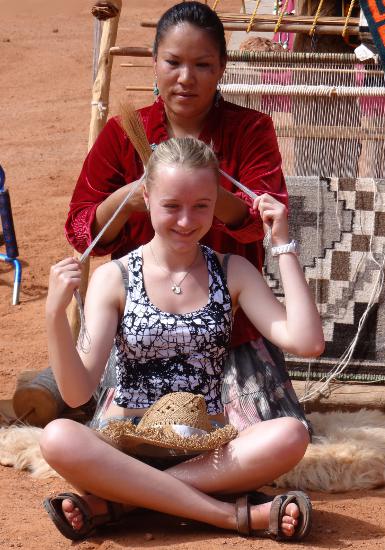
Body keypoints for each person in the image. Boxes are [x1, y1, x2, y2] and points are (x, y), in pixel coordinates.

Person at [42, 137, 324, 542]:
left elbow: (307, 341)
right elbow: (76, 393)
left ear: (215, 202)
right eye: (171, 206)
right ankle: (232, 516)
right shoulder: (114, 277)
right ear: (146, 196)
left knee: (291, 434)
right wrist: (54, 315)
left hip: (207, 451)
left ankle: (124, 502)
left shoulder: (233, 270)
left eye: (201, 206)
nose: (186, 221)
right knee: (58, 436)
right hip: (124, 448)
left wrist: (283, 244)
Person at [64, 1, 307, 432]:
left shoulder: (250, 130)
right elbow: (83, 228)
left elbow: (259, 220)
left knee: (265, 435)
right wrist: (130, 197)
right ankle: (204, 493)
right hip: (142, 336)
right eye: (173, 62)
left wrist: (193, 193)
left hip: (229, 331)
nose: (186, 78)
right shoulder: (124, 133)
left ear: (222, 67)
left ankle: (161, 487)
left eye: (203, 65)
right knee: (128, 434)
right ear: (155, 62)